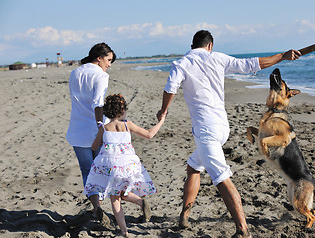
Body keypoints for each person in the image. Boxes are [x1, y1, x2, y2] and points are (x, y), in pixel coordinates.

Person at [156, 30, 301, 238]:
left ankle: (242, 229)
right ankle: (184, 217)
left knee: (221, 177)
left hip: (206, 131)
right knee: (193, 167)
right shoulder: (217, 57)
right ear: (210, 46)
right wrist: (282, 56)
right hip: (222, 127)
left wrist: (163, 110)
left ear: (192, 45)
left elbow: (170, 88)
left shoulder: (182, 63)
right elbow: (253, 64)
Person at [85, 94, 165, 237]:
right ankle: (141, 202)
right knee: (123, 192)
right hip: (128, 165)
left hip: (111, 165)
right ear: (122, 111)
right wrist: (161, 121)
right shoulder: (128, 125)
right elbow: (149, 134)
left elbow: (94, 147)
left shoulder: (105, 127)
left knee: (115, 198)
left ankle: (124, 231)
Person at [66, 42, 116, 222]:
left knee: (87, 170)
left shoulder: (75, 73)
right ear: (99, 58)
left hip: (77, 130)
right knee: (102, 169)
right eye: (108, 60)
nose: (109, 64)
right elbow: (97, 103)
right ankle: (105, 206)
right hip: (95, 129)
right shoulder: (101, 75)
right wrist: (100, 127)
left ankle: (96, 207)